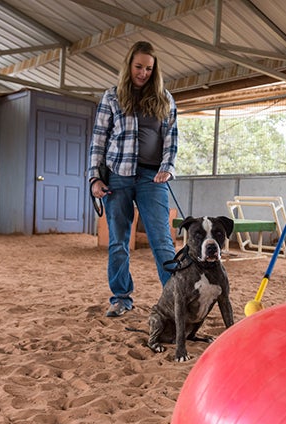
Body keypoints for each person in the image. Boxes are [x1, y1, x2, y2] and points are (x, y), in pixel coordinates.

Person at [88, 41, 178, 317]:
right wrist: (94, 178)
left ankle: (174, 301)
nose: (143, 73)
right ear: (129, 66)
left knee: (162, 240)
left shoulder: (165, 98)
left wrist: (167, 167)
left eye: (149, 68)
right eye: (139, 67)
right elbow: (99, 140)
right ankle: (121, 297)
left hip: (154, 179)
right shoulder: (111, 97)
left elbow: (171, 139)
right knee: (118, 241)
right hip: (118, 177)